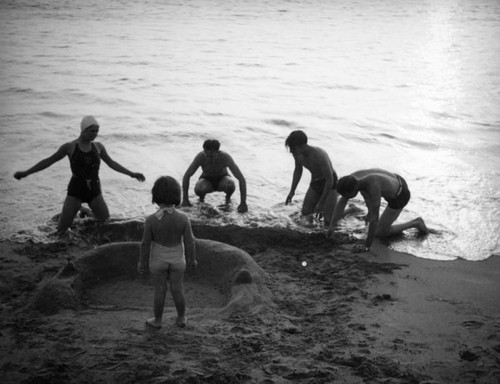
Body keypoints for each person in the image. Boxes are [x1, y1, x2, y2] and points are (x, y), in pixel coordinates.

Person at [13, 116, 145, 235]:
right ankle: (80, 209)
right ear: (83, 130)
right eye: (92, 131)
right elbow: (49, 161)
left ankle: (86, 212)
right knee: (61, 232)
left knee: (105, 221)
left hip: (94, 190)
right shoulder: (69, 147)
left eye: (97, 131)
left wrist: (132, 174)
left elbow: (112, 163)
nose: (95, 134)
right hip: (76, 190)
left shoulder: (98, 147)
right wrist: (26, 173)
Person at [138, 176, 197, 329]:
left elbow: (145, 244)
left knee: (160, 290)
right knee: (177, 289)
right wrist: (192, 259)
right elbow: (190, 241)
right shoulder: (183, 218)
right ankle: (182, 317)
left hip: (158, 260)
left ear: (155, 196)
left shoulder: (151, 220)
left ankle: (157, 320)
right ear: (177, 196)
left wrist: (142, 261)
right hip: (177, 258)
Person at [326, 168, 428, 252]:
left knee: (379, 232)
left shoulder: (373, 187)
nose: (345, 198)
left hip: (399, 196)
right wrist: (332, 227)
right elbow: (342, 202)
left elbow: (375, 218)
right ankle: (368, 215)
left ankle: (416, 223)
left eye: (347, 196)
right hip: (396, 179)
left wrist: (367, 245)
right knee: (364, 191)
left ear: (354, 188)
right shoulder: (351, 180)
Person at [285, 130, 338, 225]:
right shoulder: (297, 155)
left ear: (302, 145)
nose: (291, 151)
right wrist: (292, 191)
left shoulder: (320, 155)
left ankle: (350, 210)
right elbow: (298, 170)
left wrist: (321, 203)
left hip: (330, 182)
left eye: (293, 148)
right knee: (305, 213)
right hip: (315, 182)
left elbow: (329, 180)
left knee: (328, 221)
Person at [181, 139, 248, 213]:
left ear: (217, 152)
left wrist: (243, 203)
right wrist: (185, 200)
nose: (207, 157)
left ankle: (228, 199)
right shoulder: (200, 157)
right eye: (206, 153)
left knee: (230, 184)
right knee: (200, 187)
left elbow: (241, 178)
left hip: (222, 180)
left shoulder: (225, 157)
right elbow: (187, 176)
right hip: (206, 180)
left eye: (211, 155)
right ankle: (201, 200)